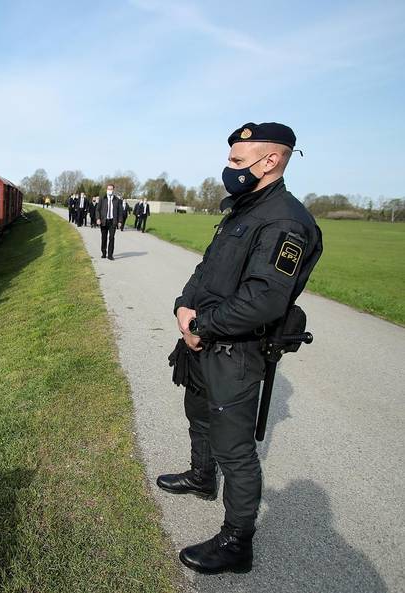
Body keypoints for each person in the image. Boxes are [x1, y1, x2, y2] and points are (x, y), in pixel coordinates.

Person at [161, 122, 322, 574]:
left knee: (235, 450)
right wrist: (183, 305)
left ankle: (237, 542)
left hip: (235, 350)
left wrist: (202, 326)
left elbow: (263, 299)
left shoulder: (286, 221)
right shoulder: (244, 208)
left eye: (236, 161)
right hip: (201, 340)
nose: (228, 168)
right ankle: (201, 476)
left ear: (269, 161)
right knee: (198, 412)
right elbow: (207, 268)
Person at [96, 183, 122, 259]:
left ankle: (110, 255)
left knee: (111, 238)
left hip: (113, 221)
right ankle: (104, 252)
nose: (109, 190)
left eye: (111, 189)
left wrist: (120, 221)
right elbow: (97, 210)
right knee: (104, 238)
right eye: (108, 189)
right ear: (106, 190)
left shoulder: (117, 200)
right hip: (104, 221)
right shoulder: (102, 199)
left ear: (113, 190)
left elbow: (120, 212)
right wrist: (98, 218)